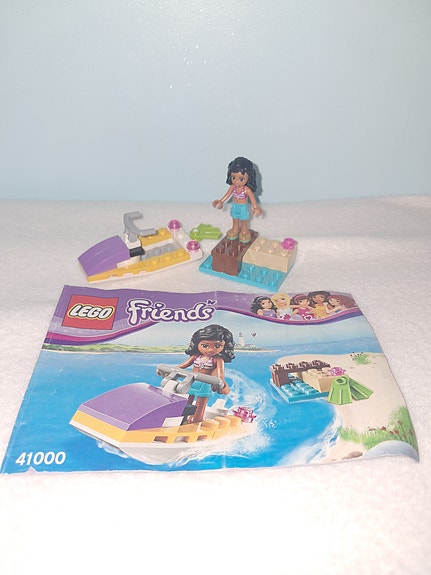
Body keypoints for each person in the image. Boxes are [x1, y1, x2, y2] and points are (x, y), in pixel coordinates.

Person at [177, 324, 235, 423]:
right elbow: (183, 365)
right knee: (186, 400)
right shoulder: (196, 356)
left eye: (217, 346)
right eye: (205, 346)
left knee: (200, 403)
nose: (210, 349)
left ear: (224, 346)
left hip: (205, 383)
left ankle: (196, 420)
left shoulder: (217, 359)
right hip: (191, 381)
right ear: (197, 344)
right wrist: (169, 370)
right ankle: (181, 418)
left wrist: (221, 384)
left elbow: (220, 374)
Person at [212, 156, 262, 243]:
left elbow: (252, 198)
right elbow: (227, 194)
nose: (236, 182)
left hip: (243, 207)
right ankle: (235, 229)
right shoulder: (233, 187)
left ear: (248, 178)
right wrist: (221, 201)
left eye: (241, 179)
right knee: (234, 218)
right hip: (235, 206)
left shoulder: (246, 190)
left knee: (243, 220)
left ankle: (244, 231)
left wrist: (255, 207)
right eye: (233, 178)